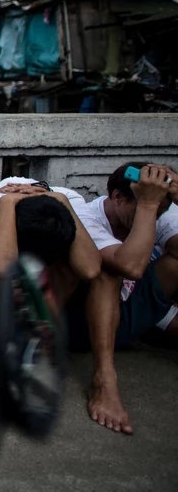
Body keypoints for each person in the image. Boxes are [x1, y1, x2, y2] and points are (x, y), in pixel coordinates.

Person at [0, 183, 100, 380]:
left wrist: (62, 202)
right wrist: (8, 203)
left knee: (72, 268)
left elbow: (90, 269)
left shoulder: (65, 201)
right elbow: (1, 267)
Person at [70, 162, 178, 435]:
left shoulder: (157, 208)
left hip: (129, 316)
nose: (155, 218)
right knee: (108, 270)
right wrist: (148, 205)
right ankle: (104, 379)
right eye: (149, 208)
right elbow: (130, 266)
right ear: (117, 198)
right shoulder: (86, 218)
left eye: (160, 211)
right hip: (83, 326)